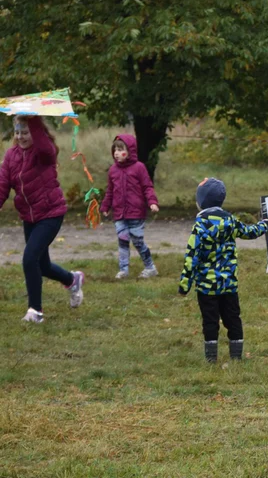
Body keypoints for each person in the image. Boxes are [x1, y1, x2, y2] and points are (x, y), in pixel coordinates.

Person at [0, 116, 85, 323]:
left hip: (51, 213)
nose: (20, 136)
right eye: (17, 132)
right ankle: (72, 280)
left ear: (36, 132)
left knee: (30, 258)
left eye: (26, 132)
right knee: (43, 265)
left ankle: (35, 312)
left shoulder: (43, 153)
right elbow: (2, 184)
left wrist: (34, 120)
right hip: (29, 217)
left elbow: (47, 150)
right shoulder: (11, 156)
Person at [178, 178, 268, 363]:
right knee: (233, 318)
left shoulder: (199, 227)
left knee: (210, 321)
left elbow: (191, 257)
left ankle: (211, 358)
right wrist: (265, 224)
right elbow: (250, 232)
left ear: (201, 202)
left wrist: (184, 285)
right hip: (229, 284)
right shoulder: (231, 221)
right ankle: (236, 356)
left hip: (206, 287)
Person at [100, 134, 160, 279]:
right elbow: (110, 191)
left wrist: (152, 202)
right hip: (119, 213)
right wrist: (105, 206)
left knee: (138, 242)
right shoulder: (113, 170)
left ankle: (150, 267)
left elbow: (147, 187)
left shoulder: (139, 168)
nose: (116, 153)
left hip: (136, 212)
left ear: (130, 150)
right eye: (115, 149)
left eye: (121, 149)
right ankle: (123, 270)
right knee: (123, 241)